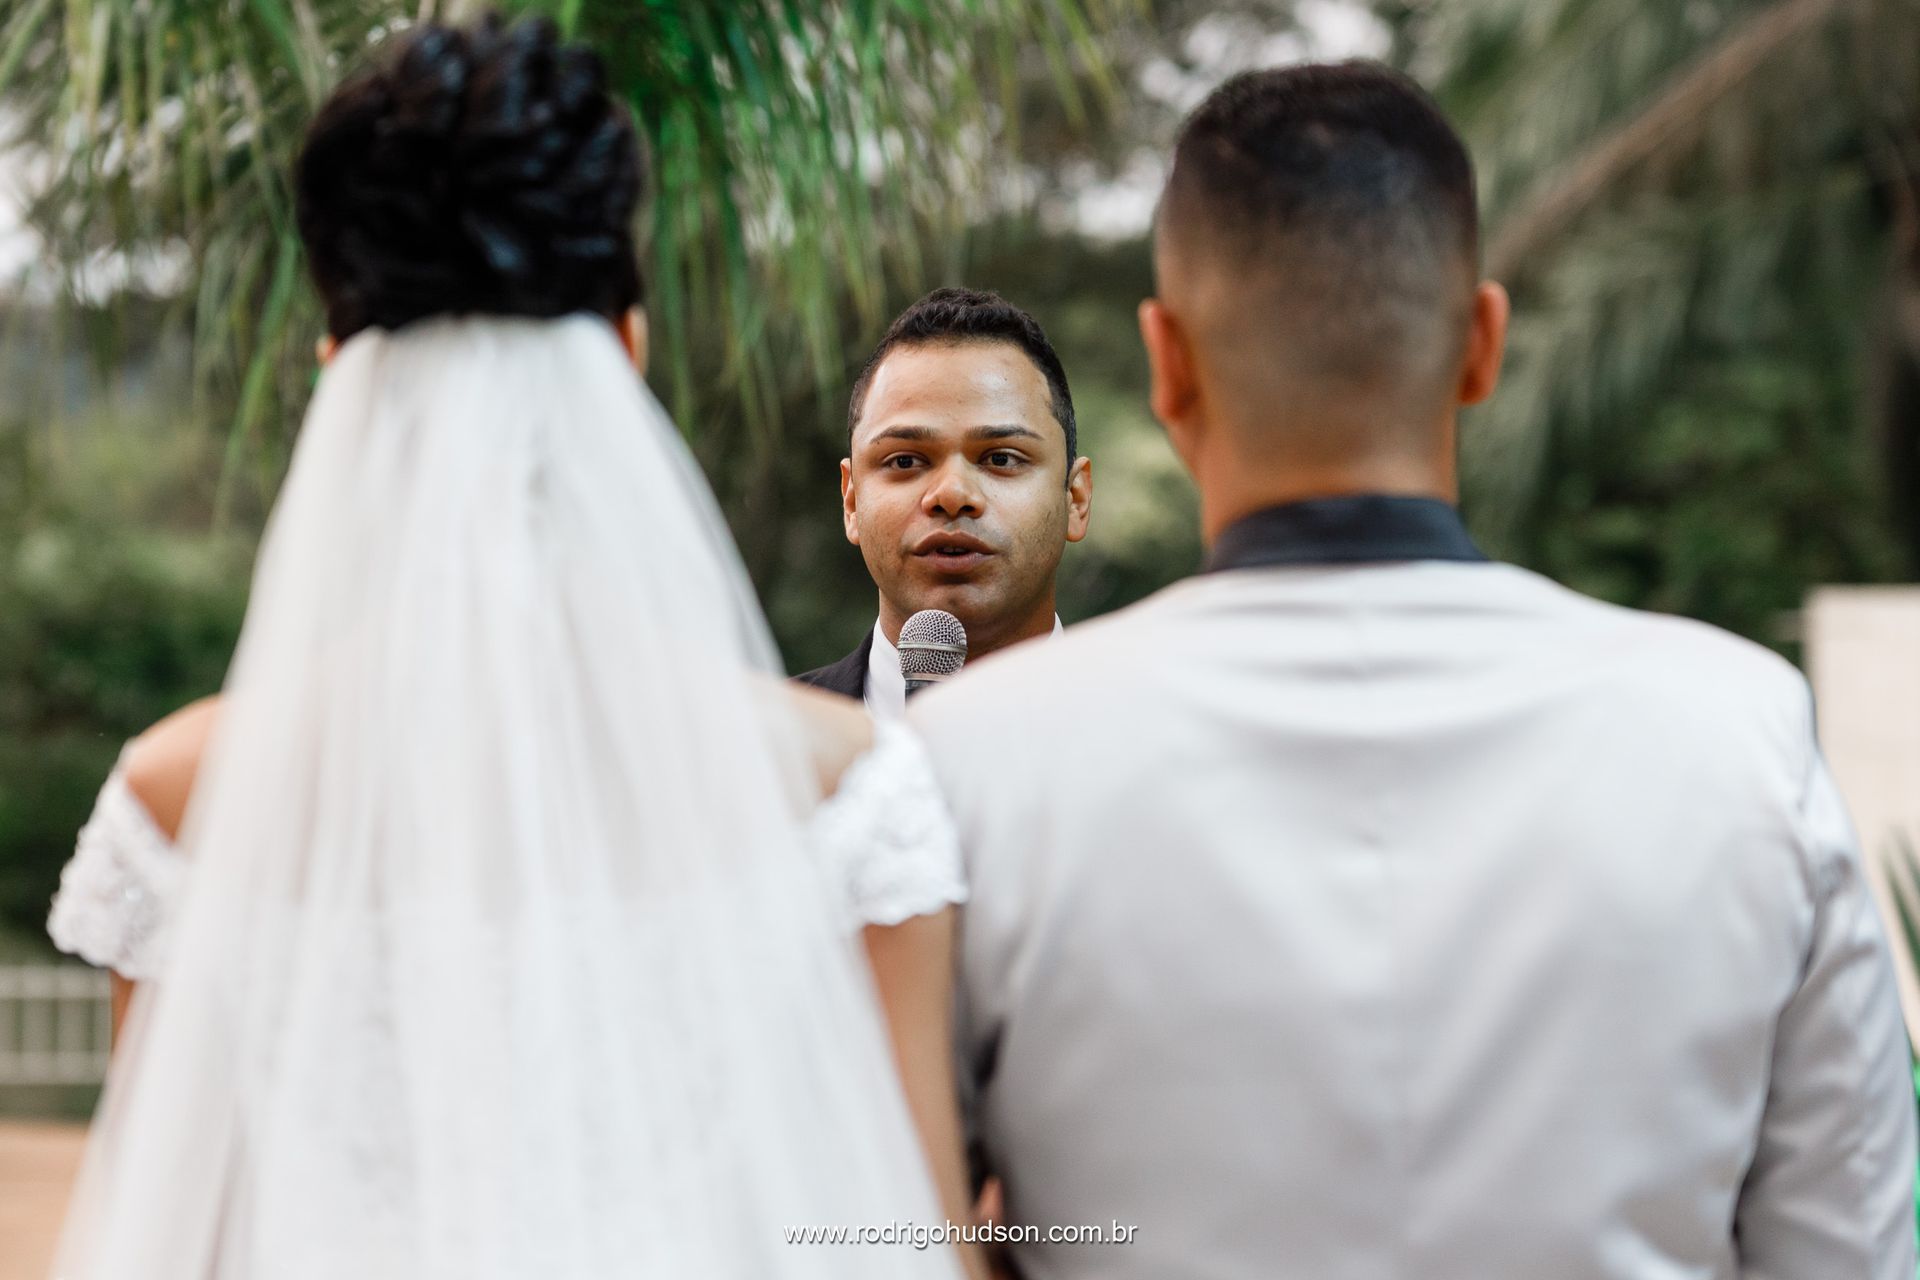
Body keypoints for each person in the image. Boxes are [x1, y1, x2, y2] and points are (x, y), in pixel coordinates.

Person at [896, 63, 1916, 1278]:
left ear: (1167, 365)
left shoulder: (973, 766)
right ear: (1483, 342)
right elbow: (1845, 1252)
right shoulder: (1743, 732)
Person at [49, 17, 980, 1278]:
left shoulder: (180, 799)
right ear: (626, 350)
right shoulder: (845, 785)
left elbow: (175, 1244)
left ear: (339, 371)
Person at [796, 288, 1092, 714]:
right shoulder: (760, 749)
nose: (952, 495)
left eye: (1001, 458)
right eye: (904, 460)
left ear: (1076, 498)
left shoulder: (1170, 744)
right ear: (852, 501)